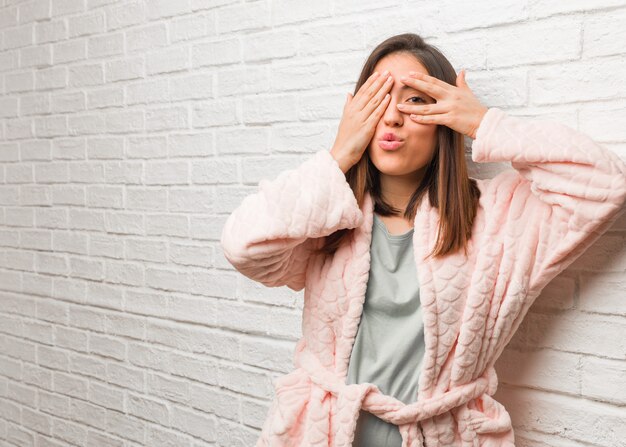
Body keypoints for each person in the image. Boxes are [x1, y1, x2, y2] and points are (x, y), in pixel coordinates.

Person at [220, 33, 626, 447]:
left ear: (444, 118)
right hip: (322, 434)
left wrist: (483, 123)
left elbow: (606, 184)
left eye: (415, 100)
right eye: (377, 98)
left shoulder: (499, 217)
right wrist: (338, 154)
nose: (392, 117)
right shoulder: (326, 216)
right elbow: (242, 245)